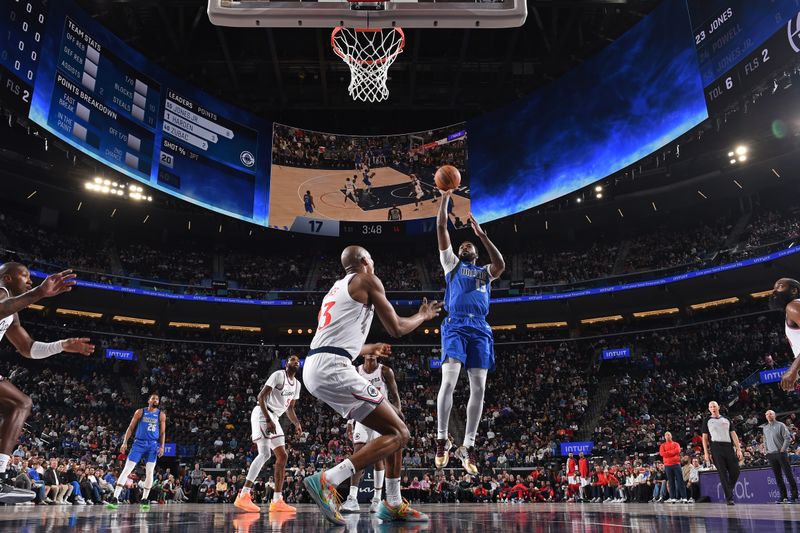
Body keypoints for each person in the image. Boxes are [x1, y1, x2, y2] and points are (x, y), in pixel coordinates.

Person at [301, 245, 442, 525]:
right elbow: (397, 328)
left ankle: (392, 503)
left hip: (320, 364)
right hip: (333, 368)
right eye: (372, 260)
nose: (374, 265)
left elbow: (338, 340)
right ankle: (329, 479)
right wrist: (422, 316)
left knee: (394, 426)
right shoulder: (366, 279)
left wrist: (370, 346)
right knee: (401, 433)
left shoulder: (336, 288)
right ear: (365, 261)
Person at [0, 263, 94, 503]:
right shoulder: (1, 293)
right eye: (25, 276)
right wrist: (39, 293)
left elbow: (27, 348)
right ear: (8, 278)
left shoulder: (12, 311)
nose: (30, 281)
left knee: (20, 404)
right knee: (21, 403)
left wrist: (61, 345)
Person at [434, 191, 505, 474]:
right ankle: (441, 439)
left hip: (480, 329)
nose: (464, 245)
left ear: (475, 253)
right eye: (461, 243)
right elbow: (441, 227)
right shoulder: (452, 265)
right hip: (456, 325)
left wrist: (483, 236)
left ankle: (469, 446)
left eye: (468, 244)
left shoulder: (485, 271)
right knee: (449, 382)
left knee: (479, 388)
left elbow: (500, 266)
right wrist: (444, 197)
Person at [234, 355, 302, 513]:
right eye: (292, 359)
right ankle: (243, 495)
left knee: (283, 456)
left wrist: (297, 423)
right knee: (264, 454)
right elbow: (261, 396)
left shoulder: (297, 385)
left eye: (297, 360)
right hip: (263, 412)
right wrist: (267, 419)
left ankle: (277, 500)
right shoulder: (278, 375)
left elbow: (290, 408)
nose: (295, 361)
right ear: (286, 364)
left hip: (275, 417)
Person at [341, 352, 403, 514]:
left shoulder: (385, 371)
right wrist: (349, 421)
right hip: (361, 415)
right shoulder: (356, 371)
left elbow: (395, 396)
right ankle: (352, 498)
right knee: (358, 453)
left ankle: (376, 499)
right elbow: (350, 397)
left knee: (378, 456)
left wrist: (397, 416)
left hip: (381, 415)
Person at [106, 393, 166, 510]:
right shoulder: (140, 412)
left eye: (157, 399)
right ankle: (115, 497)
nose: (155, 400)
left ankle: (144, 499)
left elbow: (163, 433)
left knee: (149, 472)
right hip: (138, 443)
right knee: (127, 469)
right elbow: (130, 427)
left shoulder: (161, 415)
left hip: (152, 445)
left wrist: (162, 446)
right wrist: (124, 442)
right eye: (153, 398)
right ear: (149, 400)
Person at [702, 401, 743, 505]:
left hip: (728, 446)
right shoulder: (707, 420)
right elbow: (705, 438)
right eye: (711, 407)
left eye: (714, 406)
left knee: (736, 471)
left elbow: (733, 434)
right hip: (716, 447)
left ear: (718, 407)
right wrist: (706, 453)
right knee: (723, 473)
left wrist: (738, 449)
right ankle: (729, 498)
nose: (713, 408)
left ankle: (728, 488)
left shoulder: (726, 419)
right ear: (709, 409)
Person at [762, 409, 798, 503]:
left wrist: (783, 449)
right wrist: (766, 451)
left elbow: (787, 438)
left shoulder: (780, 425)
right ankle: (783, 497)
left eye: (771, 414)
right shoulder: (765, 428)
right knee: (778, 476)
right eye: (767, 414)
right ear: (765, 416)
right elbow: (765, 441)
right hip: (771, 455)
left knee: (788, 474)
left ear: (775, 416)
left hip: (781, 453)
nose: (769, 415)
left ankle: (795, 497)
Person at [771, 278, 800, 391]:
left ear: (793, 291)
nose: (774, 291)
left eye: (780, 286)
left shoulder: (793, 306)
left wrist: (793, 370)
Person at [659, 432, 687, 503]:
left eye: (668, 435)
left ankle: (684, 497)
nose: (667, 436)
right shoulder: (662, 445)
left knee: (680, 481)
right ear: (664, 437)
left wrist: (667, 453)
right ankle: (673, 497)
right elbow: (662, 453)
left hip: (676, 464)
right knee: (671, 482)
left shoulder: (676, 444)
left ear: (671, 436)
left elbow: (677, 451)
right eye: (666, 435)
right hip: (667, 465)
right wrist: (672, 453)